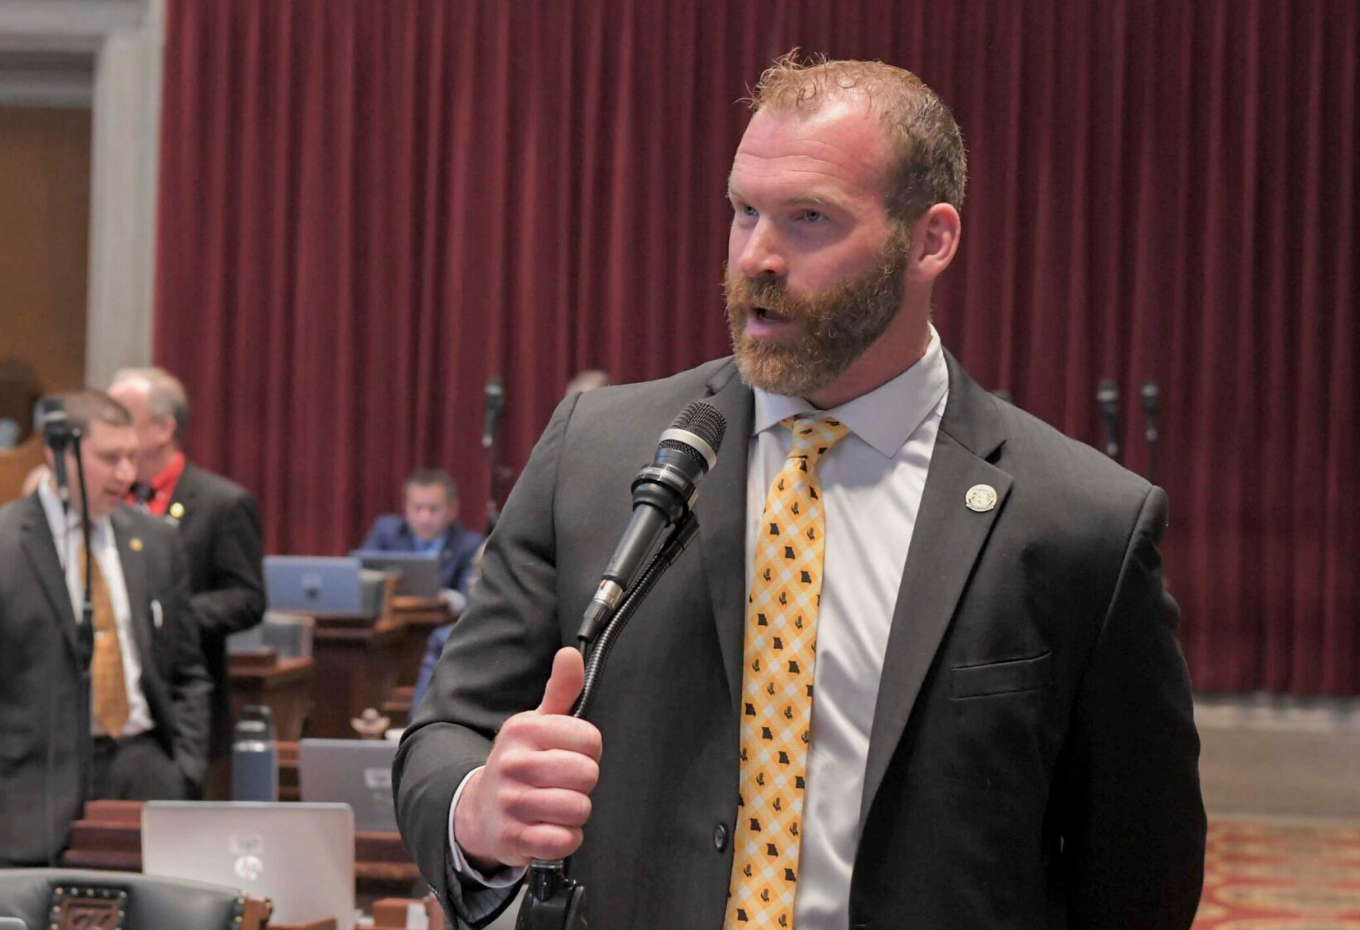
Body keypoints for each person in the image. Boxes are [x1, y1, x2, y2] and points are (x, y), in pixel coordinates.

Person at [393, 56, 1205, 930]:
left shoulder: (1080, 521)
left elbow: (1138, 877)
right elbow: (445, 736)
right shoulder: (595, 454)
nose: (757, 258)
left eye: (808, 219)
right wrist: (477, 812)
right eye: (744, 212)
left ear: (930, 240)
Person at [0, 390, 211, 866]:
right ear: (57, 456)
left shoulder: (155, 541)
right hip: (30, 789)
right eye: (110, 458)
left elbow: (188, 670)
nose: (126, 475)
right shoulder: (7, 545)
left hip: (145, 775)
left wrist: (185, 769)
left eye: (132, 457)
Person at [108, 367, 266, 759]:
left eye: (121, 418)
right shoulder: (104, 500)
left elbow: (246, 598)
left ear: (162, 429)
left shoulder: (221, 504)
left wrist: (166, 617)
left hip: (183, 707)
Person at [361, 469, 484, 596]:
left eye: (433, 509)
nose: (425, 518)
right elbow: (362, 578)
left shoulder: (469, 546)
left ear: (453, 509)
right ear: (406, 508)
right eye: (418, 508)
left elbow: (469, 595)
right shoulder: (386, 533)